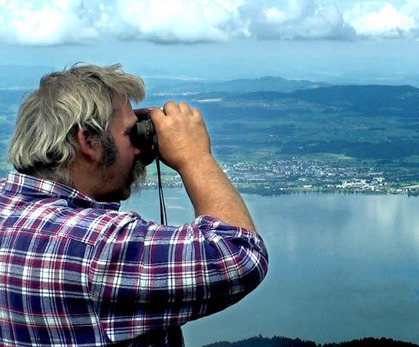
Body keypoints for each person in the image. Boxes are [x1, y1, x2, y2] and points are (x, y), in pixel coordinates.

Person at [0, 63, 269, 346]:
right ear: (89, 141)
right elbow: (241, 254)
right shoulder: (95, 246)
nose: (142, 147)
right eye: (132, 133)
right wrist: (194, 156)